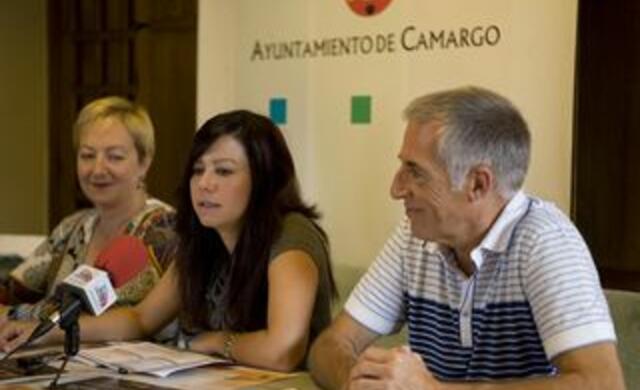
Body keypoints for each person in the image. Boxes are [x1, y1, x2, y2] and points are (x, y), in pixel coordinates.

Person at [309, 86, 625, 389]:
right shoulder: (414, 235)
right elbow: (330, 346)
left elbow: (603, 384)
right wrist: (357, 381)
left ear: (478, 184)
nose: (396, 188)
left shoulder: (545, 240)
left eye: (415, 171)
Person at [0, 109, 336, 372]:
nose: (204, 184)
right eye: (197, 169)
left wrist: (219, 341)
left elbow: (282, 351)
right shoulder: (204, 236)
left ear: (264, 179)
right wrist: (44, 330)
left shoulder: (291, 234)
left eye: (223, 171)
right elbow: (141, 319)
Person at [0, 96, 176, 322]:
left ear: (144, 162)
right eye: (87, 155)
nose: (97, 169)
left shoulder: (165, 230)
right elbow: (11, 292)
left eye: (114, 157)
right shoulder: (72, 227)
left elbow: (102, 318)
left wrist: (14, 316)